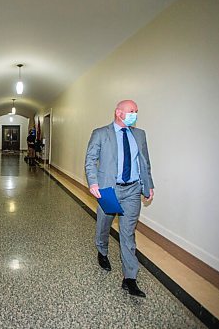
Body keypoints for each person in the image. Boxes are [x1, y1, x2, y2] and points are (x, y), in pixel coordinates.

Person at [84, 100, 154, 297]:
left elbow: (145, 161)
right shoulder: (100, 133)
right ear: (118, 113)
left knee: (128, 233)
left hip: (132, 190)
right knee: (104, 225)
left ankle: (129, 278)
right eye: (131, 111)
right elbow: (90, 160)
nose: (135, 114)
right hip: (108, 189)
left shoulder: (139, 135)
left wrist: (149, 185)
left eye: (136, 111)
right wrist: (93, 182)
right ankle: (102, 250)